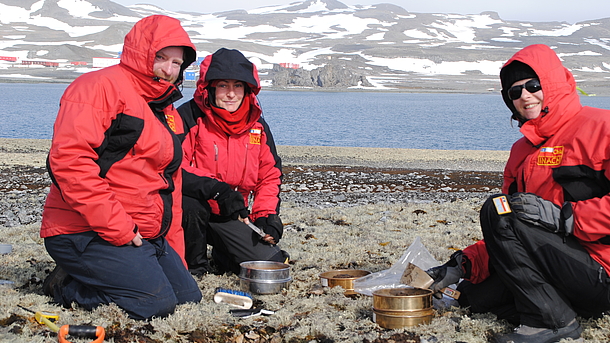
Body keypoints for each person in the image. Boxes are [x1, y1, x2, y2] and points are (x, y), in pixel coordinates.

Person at [426, 44, 610, 343]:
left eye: (533, 86)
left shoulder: (602, 128)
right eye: (514, 92)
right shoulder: (521, 152)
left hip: (601, 270)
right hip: (557, 267)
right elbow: (513, 233)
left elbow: (516, 221)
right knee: (472, 295)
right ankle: (551, 310)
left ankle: (552, 323)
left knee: (498, 209)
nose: (524, 96)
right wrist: (463, 264)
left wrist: (566, 218)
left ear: (551, 85)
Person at [40, 15, 202, 320]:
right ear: (142, 53)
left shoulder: (167, 110)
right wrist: (120, 229)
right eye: (161, 58)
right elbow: (70, 164)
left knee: (187, 299)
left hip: (142, 233)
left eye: (177, 63)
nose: (169, 70)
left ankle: (109, 273)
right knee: (153, 305)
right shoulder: (98, 88)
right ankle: (64, 285)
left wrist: (174, 255)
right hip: (83, 229)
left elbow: (171, 186)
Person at [178, 48, 286, 275]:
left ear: (248, 89)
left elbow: (269, 174)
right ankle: (194, 268)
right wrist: (217, 190)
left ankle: (223, 251)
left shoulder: (257, 125)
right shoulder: (188, 116)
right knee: (190, 205)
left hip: (232, 212)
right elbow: (175, 167)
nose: (231, 94)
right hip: (191, 211)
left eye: (238, 86)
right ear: (209, 88)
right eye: (223, 86)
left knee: (271, 262)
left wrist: (266, 215)